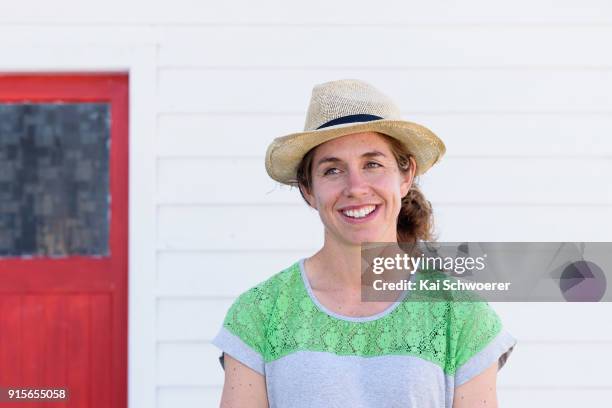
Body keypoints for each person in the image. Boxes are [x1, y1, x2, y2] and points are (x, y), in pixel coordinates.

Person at [212, 79, 517, 407]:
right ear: (308, 189)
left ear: (405, 176)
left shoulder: (460, 314)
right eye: (332, 170)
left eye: (372, 164)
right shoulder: (260, 313)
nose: (356, 187)